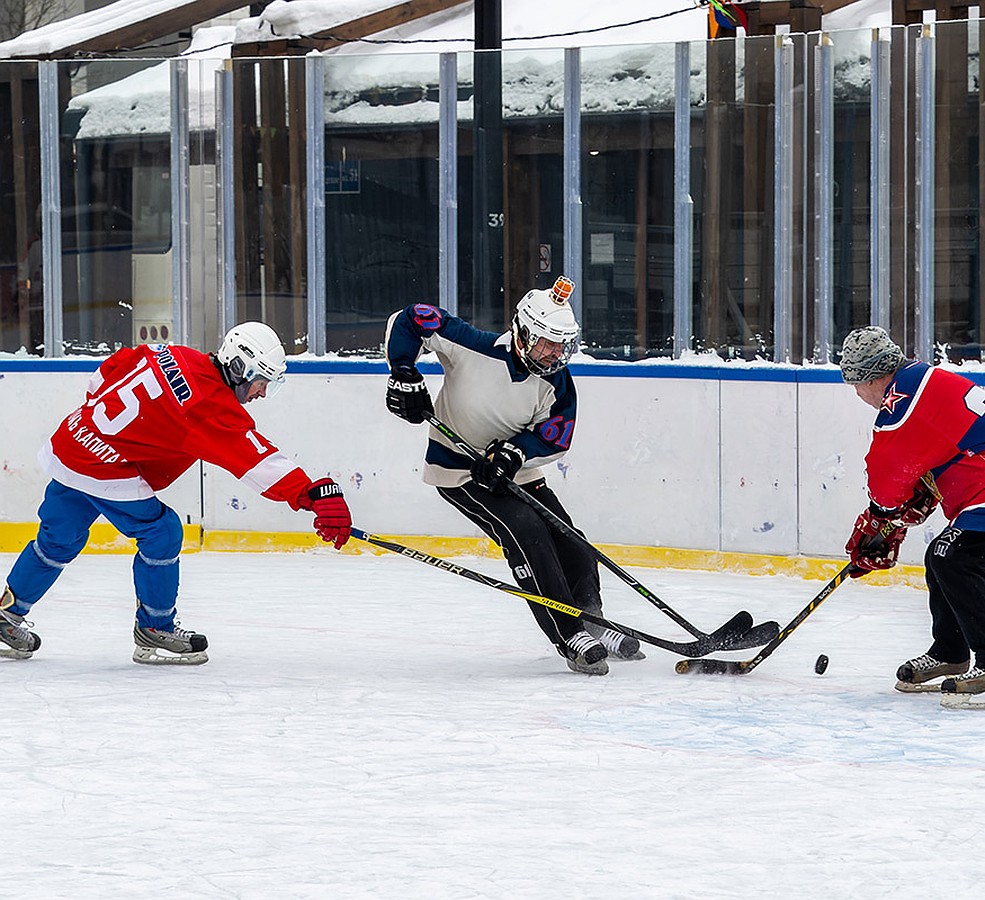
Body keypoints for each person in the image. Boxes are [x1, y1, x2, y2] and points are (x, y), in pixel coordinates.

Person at [0, 322, 354, 665]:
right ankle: (156, 627)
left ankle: (7, 614)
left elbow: (114, 366)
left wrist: (97, 418)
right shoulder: (208, 404)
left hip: (73, 440)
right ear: (238, 365)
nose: (261, 393)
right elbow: (255, 459)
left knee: (58, 539)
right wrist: (312, 494)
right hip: (103, 464)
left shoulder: (175, 353)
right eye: (261, 382)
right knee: (162, 531)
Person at [383, 276, 642, 676]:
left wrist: (516, 452)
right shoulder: (472, 345)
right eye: (547, 341)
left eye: (562, 344)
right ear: (521, 332)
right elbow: (411, 319)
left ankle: (594, 620)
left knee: (570, 538)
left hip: (517, 474)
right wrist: (404, 371)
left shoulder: (556, 380)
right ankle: (569, 633)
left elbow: (556, 433)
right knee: (526, 530)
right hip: (458, 471)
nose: (555, 352)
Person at [839, 326, 985, 709]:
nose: (858, 394)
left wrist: (881, 518)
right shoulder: (919, 379)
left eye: (855, 384)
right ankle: (950, 651)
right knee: (942, 557)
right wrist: (896, 510)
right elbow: (934, 451)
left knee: (954, 558)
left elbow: (887, 472)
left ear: (870, 377)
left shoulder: (900, 400)